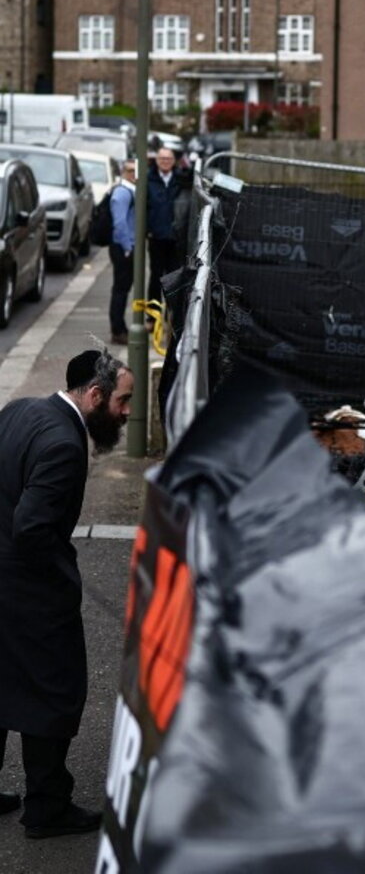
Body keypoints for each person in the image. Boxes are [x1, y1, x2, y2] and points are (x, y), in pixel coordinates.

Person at [0, 349, 134, 839]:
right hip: (29, 592)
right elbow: (33, 527)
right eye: (123, 401)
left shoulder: (21, 410)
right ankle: (47, 807)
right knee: (53, 693)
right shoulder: (62, 443)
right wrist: (60, 576)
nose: (126, 412)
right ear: (95, 395)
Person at [147, 146, 183, 307]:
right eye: (162, 159)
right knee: (155, 277)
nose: (165, 162)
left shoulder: (181, 180)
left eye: (168, 159)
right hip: (156, 237)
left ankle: (172, 315)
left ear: (174, 161)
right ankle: (152, 316)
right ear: (156, 161)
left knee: (174, 278)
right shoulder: (148, 179)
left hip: (176, 238)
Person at [108, 159, 137, 346]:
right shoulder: (122, 193)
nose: (135, 174)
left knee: (123, 289)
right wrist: (127, 247)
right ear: (123, 172)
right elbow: (119, 224)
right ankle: (118, 330)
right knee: (120, 290)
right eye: (131, 170)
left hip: (126, 246)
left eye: (137, 170)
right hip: (122, 247)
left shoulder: (129, 191)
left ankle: (119, 328)